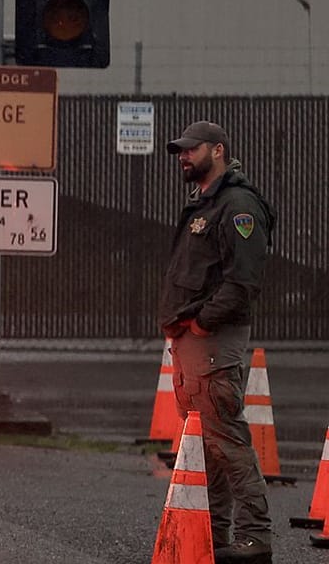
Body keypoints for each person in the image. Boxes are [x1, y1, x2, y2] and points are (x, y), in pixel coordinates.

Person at [159, 121, 274, 563]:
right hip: (191, 346)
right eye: (181, 151)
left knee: (227, 439)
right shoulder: (204, 203)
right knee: (207, 446)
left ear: (218, 150)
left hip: (210, 344)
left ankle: (255, 537)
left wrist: (203, 325)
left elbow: (242, 281)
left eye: (192, 150)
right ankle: (216, 534)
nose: (184, 157)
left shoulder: (238, 205)